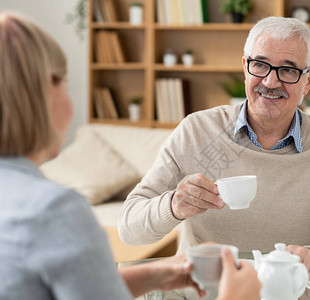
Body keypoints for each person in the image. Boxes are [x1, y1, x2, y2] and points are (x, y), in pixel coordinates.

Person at [0, 12, 260, 300]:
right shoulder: (56, 210)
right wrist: (236, 295)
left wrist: (156, 275)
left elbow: (79, 289)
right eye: (64, 83)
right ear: (39, 94)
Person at [118, 16, 310, 279]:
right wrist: (173, 205)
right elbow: (129, 228)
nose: (270, 82)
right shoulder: (196, 131)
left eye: (288, 70)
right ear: (245, 66)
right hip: (203, 290)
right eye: (260, 65)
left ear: (309, 81)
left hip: (286, 291)